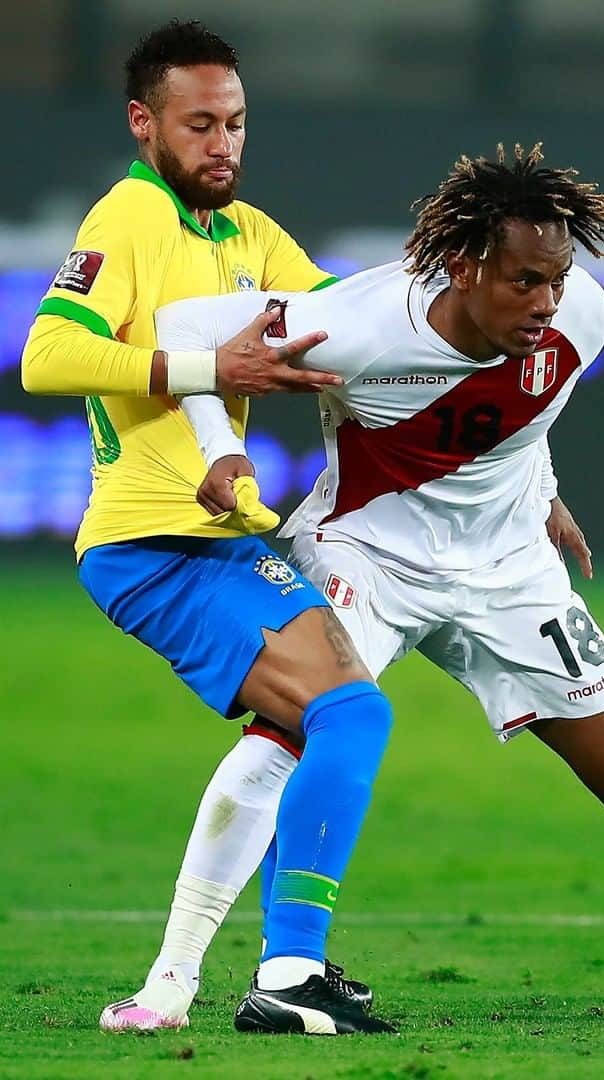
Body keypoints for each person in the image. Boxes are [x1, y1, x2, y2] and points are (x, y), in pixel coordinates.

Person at [157, 143, 604, 1033]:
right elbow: (184, 327)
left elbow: (520, 419)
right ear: (462, 266)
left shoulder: (585, 315)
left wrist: (542, 495)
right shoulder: (364, 322)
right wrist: (222, 445)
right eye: (525, 281)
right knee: (292, 736)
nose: (546, 303)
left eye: (557, 277)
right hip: (364, 556)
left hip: (510, 575)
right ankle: (180, 978)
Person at [21, 19, 394, 1036]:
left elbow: (338, 322)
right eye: (199, 124)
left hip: (217, 540)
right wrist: (205, 371)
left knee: (310, 725)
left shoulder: (247, 234)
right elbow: (47, 356)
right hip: (149, 548)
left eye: (233, 122)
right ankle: (289, 970)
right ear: (146, 125)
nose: (221, 143)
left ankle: (236, 977)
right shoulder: (129, 219)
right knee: (350, 716)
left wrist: (440, 327)